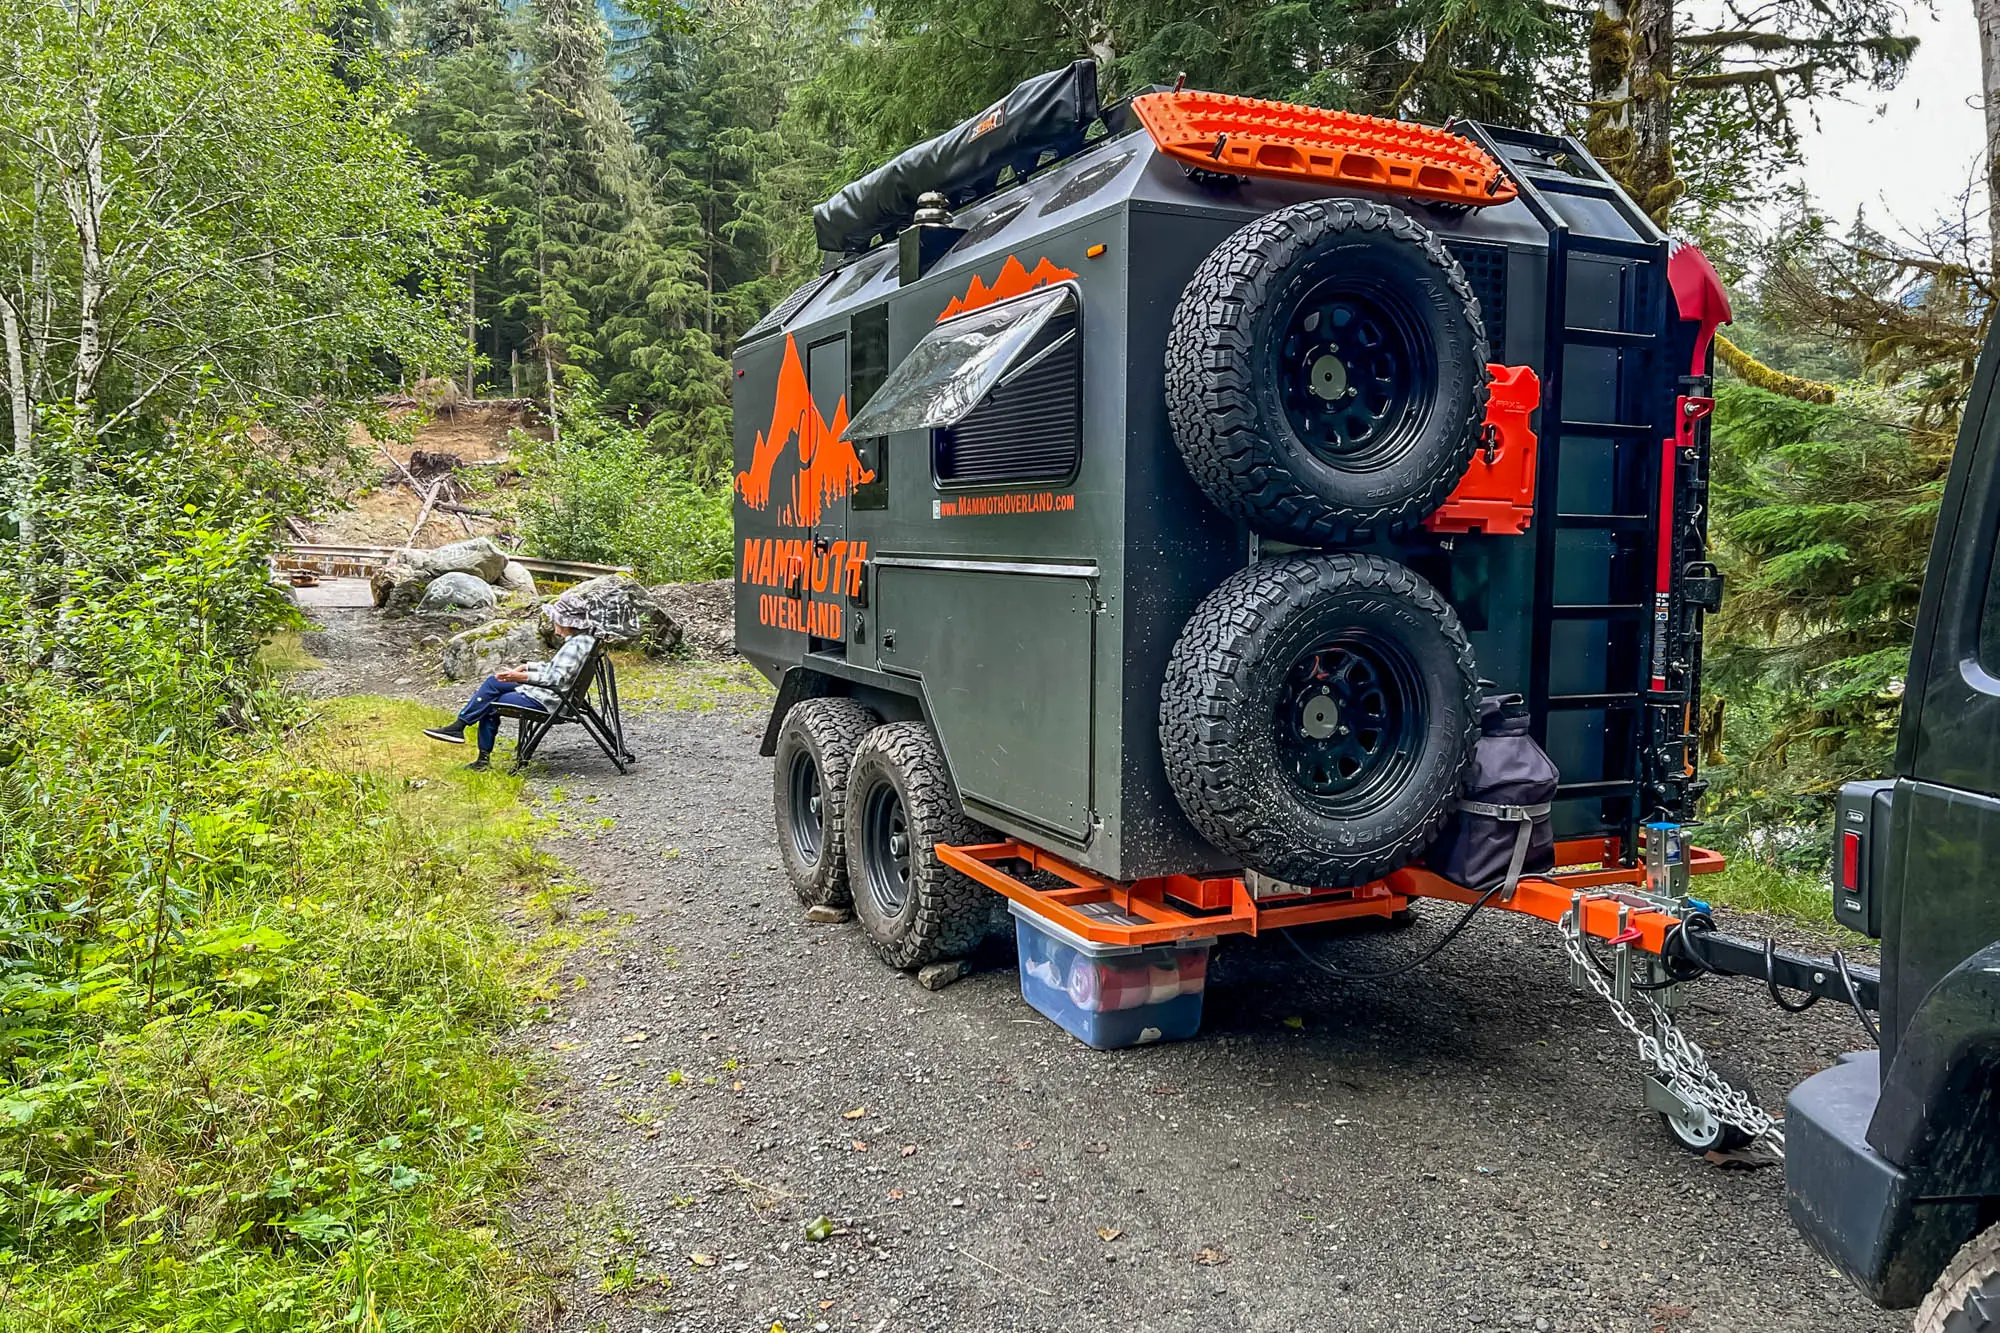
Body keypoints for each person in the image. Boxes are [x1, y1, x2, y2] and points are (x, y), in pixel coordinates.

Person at [425, 593, 598, 770]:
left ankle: (480, 758)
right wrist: (527, 668)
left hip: (548, 701)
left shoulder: (575, 646)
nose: (554, 624)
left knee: (489, 703)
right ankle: (458, 727)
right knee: (494, 682)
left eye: (556, 619)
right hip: (556, 695)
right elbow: (559, 670)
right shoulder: (583, 641)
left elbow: (555, 678)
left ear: (566, 622)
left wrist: (520, 678)